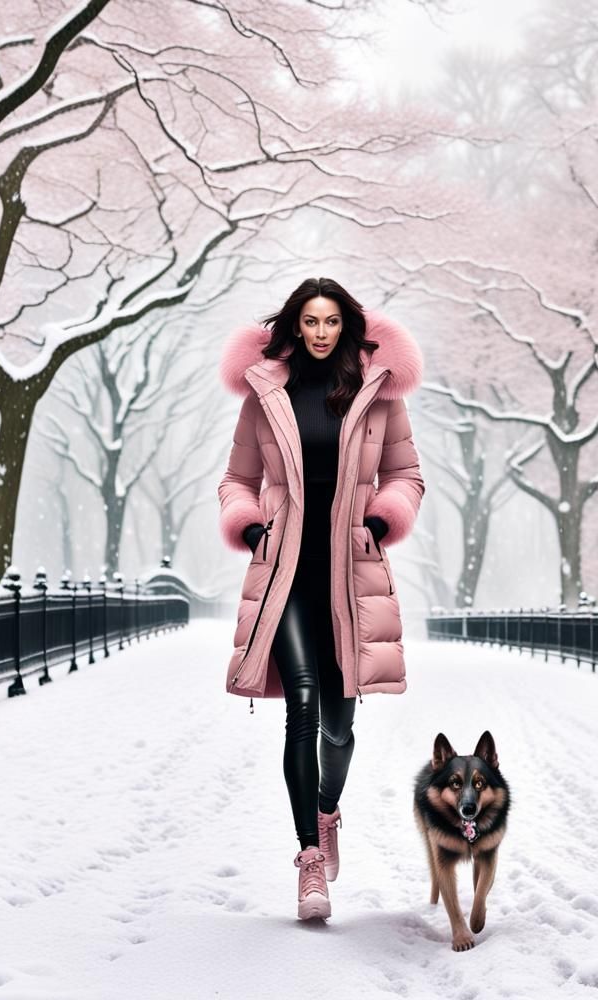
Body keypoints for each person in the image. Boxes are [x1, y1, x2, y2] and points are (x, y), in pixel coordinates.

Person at [217, 277, 425, 921]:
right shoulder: (265, 391)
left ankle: (327, 810)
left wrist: (384, 517)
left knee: (339, 723)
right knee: (301, 703)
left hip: (347, 573)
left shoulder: (378, 392)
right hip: (285, 572)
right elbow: (236, 479)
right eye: (309, 320)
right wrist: (250, 524)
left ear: (348, 326)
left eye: (331, 321)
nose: (320, 332)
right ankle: (309, 862)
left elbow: (407, 475)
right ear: (294, 325)